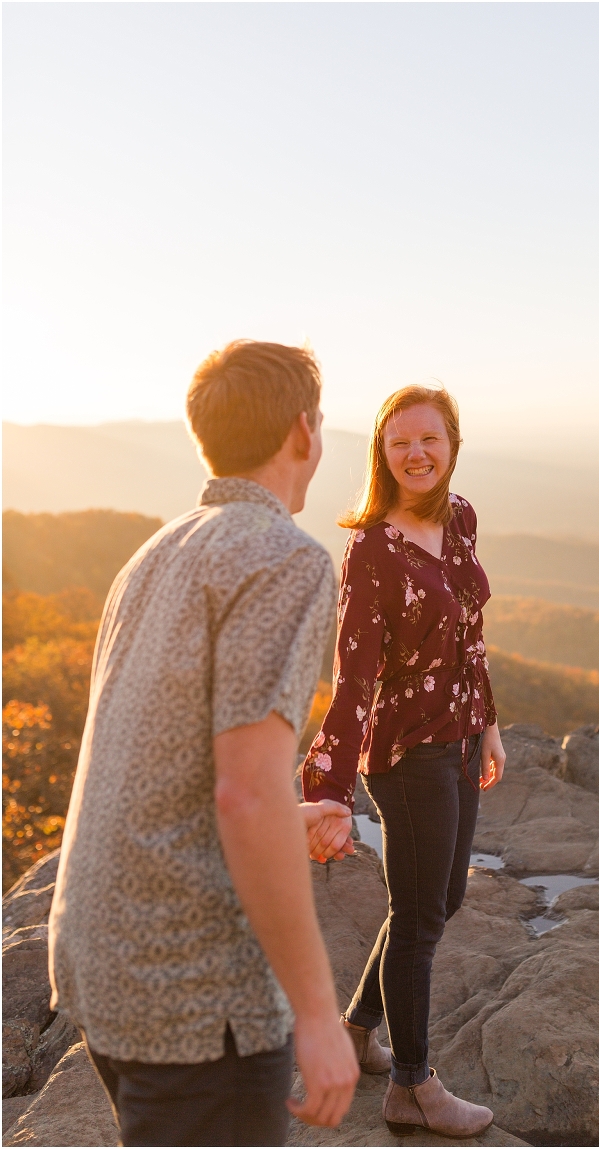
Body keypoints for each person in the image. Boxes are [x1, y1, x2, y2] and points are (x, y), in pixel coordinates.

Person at [48, 341, 360, 1147]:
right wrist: (322, 1018)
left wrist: (290, 818)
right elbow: (243, 791)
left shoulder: (152, 556)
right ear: (303, 431)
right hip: (194, 989)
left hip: (101, 961)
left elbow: (166, 767)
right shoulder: (287, 559)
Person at [302, 385, 506, 1139]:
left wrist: (487, 723)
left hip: (457, 740)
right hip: (406, 753)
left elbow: (471, 633)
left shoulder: (460, 519)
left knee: (443, 899)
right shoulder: (371, 551)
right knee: (419, 917)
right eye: (400, 444)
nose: (417, 454)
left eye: (430, 440)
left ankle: (357, 1028)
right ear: (382, 456)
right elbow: (352, 675)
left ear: (452, 443)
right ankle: (413, 1088)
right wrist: (326, 788)